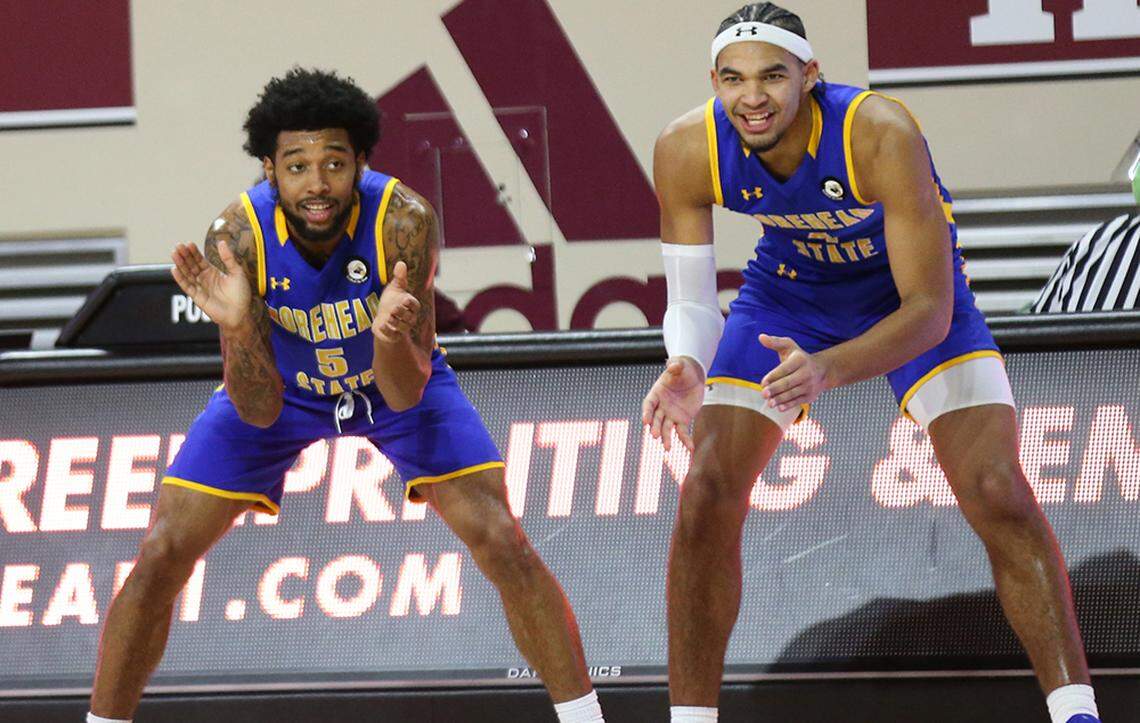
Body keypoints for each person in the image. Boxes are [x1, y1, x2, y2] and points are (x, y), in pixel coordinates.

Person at [87, 68, 604, 723]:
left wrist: (388, 335)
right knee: (163, 548)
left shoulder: (403, 221)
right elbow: (257, 409)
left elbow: (407, 386)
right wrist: (242, 325)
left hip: (390, 384)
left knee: (502, 539)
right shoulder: (239, 234)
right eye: (296, 165)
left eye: (334, 162)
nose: (317, 184)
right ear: (269, 169)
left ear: (361, 161)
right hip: (286, 388)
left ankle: (585, 717)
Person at [641, 4, 1100, 722]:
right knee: (704, 490)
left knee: (997, 486)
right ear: (714, 82)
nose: (751, 96)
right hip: (788, 295)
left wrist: (826, 369)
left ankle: (1076, 710)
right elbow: (693, 297)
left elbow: (930, 311)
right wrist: (686, 362)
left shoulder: (879, 131)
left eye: (771, 76)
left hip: (906, 294)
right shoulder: (685, 147)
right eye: (733, 79)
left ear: (810, 75)